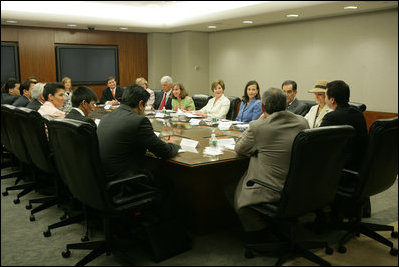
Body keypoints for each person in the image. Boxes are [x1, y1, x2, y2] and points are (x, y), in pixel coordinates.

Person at [233, 87, 309, 242]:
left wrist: (259, 121)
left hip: (273, 188)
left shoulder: (258, 127)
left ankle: (259, 232)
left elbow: (239, 149)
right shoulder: (303, 122)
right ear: (286, 104)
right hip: (300, 186)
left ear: (262, 107)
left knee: (233, 189)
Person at [97, 84, 180, 220]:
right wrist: (175, 145)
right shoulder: (138, 121)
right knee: (168, 184)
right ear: (141, 104)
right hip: (124, 181)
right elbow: (164, 152)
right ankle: (161, 229)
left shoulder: (107, 117)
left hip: (103, 178)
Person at [320, 80, 369, 217]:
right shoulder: (358, 113)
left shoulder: (331, 117)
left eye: (325, 95)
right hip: (361, 169)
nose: (324, 98)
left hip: (342, 172)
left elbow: (315, 145)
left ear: (332, 99)